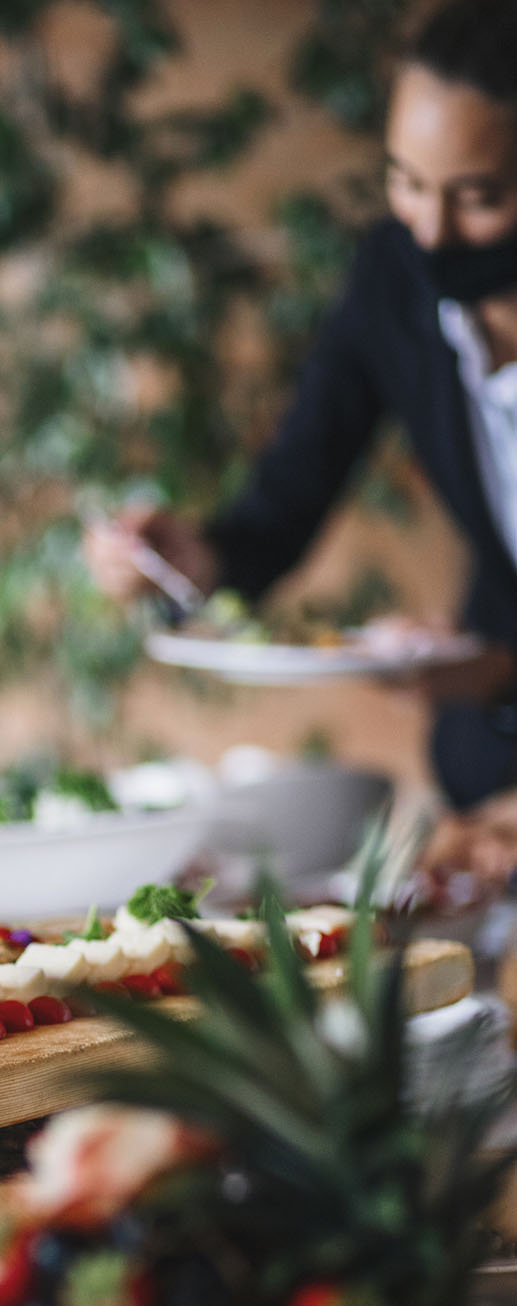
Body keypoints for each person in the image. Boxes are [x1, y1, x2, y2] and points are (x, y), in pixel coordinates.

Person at [86, 0, 517, 814]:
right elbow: (287, 495)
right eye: (406, 181)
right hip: (491, 771)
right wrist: (191, 560)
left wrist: (499, 668)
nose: (431, 230)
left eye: (478, 197)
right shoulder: (392, 280)